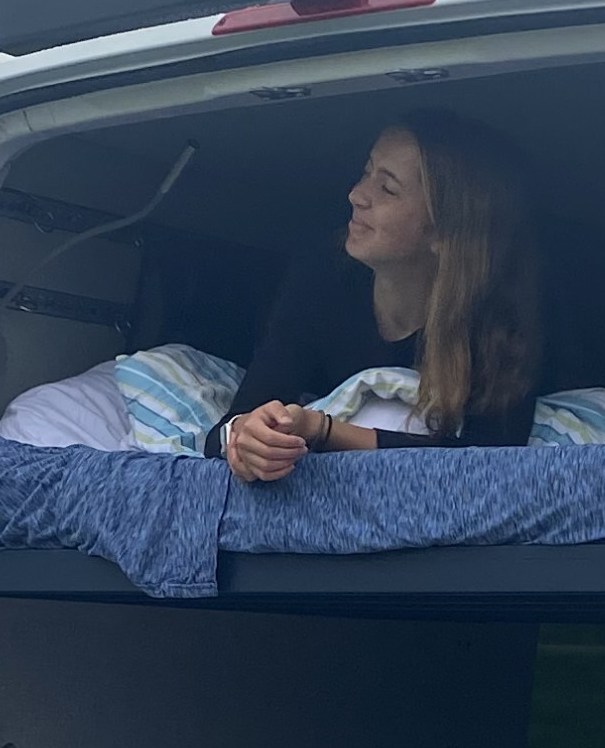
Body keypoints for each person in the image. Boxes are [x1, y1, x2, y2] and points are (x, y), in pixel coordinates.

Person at [213, 117, 543, 481]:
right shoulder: (324, 278)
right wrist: (248, 436)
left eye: (387, 188)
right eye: (366, 172)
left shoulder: (498, 318)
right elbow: (237, 420)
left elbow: (491, 464)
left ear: (445, 232)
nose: (356, 195)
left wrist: (325, 431)